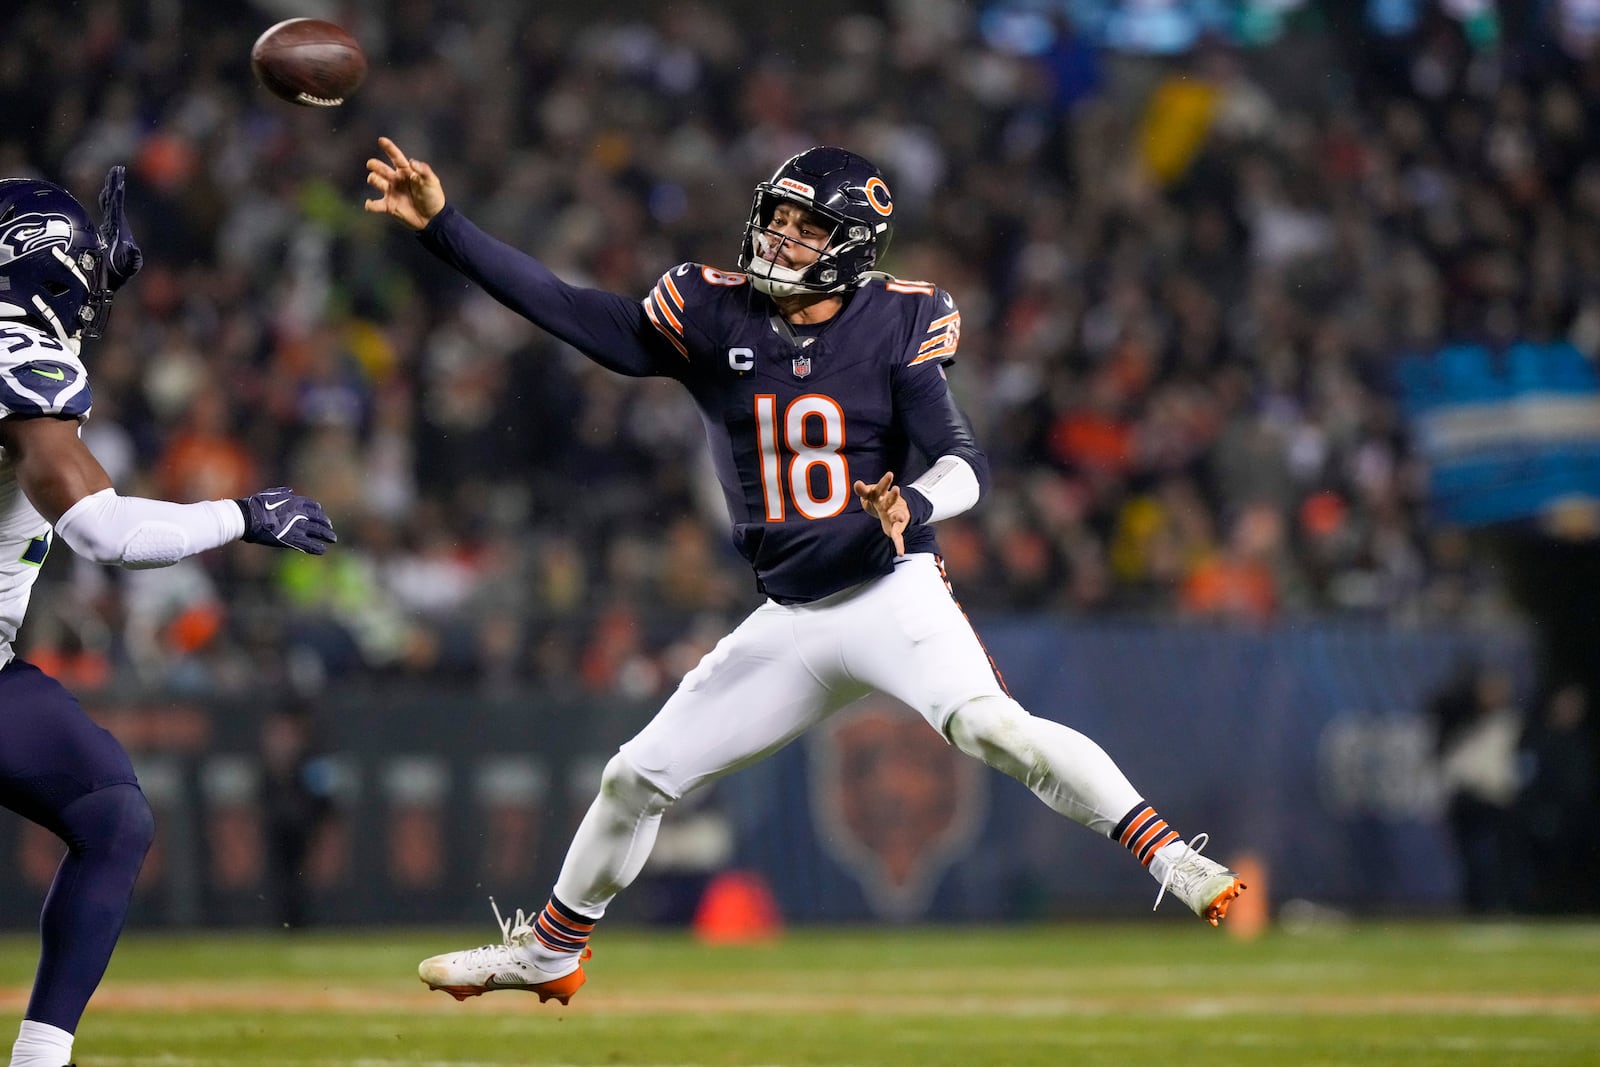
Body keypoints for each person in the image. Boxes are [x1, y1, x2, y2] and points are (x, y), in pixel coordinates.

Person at [364, 136, 1244, 1005]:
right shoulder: (710, 311)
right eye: (776, 218)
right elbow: (572, 310)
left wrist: (917, 505)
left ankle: (1172, 854)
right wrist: (446, 227)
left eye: (805, 228)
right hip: (790, 616)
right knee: (634, 777)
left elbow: (963, 459)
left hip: (889, 590)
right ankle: (552, 950)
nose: (779, 239)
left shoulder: (896, 320)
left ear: (850, 248)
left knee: (989, 727)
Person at [0, 171, 337, 1067]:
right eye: (83, 265)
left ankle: (40, 1059)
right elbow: (102, 531)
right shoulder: (22, 357)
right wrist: (245, 514)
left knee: (111, 811)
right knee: (111, 817)